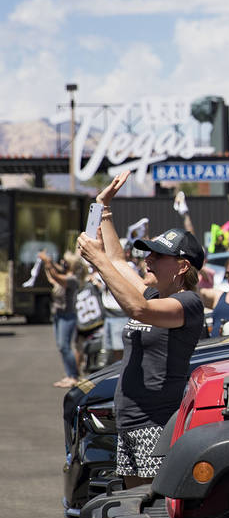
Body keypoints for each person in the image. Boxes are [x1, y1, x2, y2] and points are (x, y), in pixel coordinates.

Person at [76, 171, 207, 487]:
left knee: (154, 513)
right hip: (131, 421)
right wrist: (102, 207)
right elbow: (118, 262)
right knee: (134, 509)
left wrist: (98, 262)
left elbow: (138, 310)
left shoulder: (187, 303)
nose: (148, 260)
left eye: (158, 255)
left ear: (182, 266)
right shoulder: (152, 293)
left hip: (156, 423)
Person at [39, 249, 85, 387]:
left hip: (67, 316)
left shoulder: (72, 279)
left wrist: (48, 263)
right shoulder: (67, 274)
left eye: (65, 262)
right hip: (59, 315)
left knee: (65, 346)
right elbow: (54, 274)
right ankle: (69, 374)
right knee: (61, 346)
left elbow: (56, 276)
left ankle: (74, 376)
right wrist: (49, 263)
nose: (63, 263)